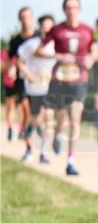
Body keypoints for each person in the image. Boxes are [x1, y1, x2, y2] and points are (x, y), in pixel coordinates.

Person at [36, 0, 97, 176]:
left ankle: (70, 161)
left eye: (75, 7)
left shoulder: (87, 30)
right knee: (60, 118)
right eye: (68, 8)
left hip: (79, 80)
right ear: (64, 10)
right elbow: (39, 51)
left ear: (79, 9)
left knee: (75, 119)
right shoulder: (56, 29)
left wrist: (91, 59)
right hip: (59, 79)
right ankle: (56, 135)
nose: (72, 11)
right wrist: (58, 57)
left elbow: (94, 50)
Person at [16, 14, 55, 162]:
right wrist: (29, 75)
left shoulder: (57, 45)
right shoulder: (31, 44)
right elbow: (19, 62)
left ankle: (43, 153)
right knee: (36, 118)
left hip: (50, 86)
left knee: (48, 117)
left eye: (50, 28)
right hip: (34, 86)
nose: (47, 31)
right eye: (44, 28)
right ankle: (29, 147)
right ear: (40, 28)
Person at [7, 6, 35, 140]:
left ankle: (31, 126)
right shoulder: (15, 40)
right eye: (23, 18)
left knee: (37, 109)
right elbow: (12, 59)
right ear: (19, 20)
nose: (26, 20)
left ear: (32, 18)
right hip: (22, 78)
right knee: (24, 106)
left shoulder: (39, 37)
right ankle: (26, 133)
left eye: (28, 17)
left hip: (38, 78)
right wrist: (12, 68)